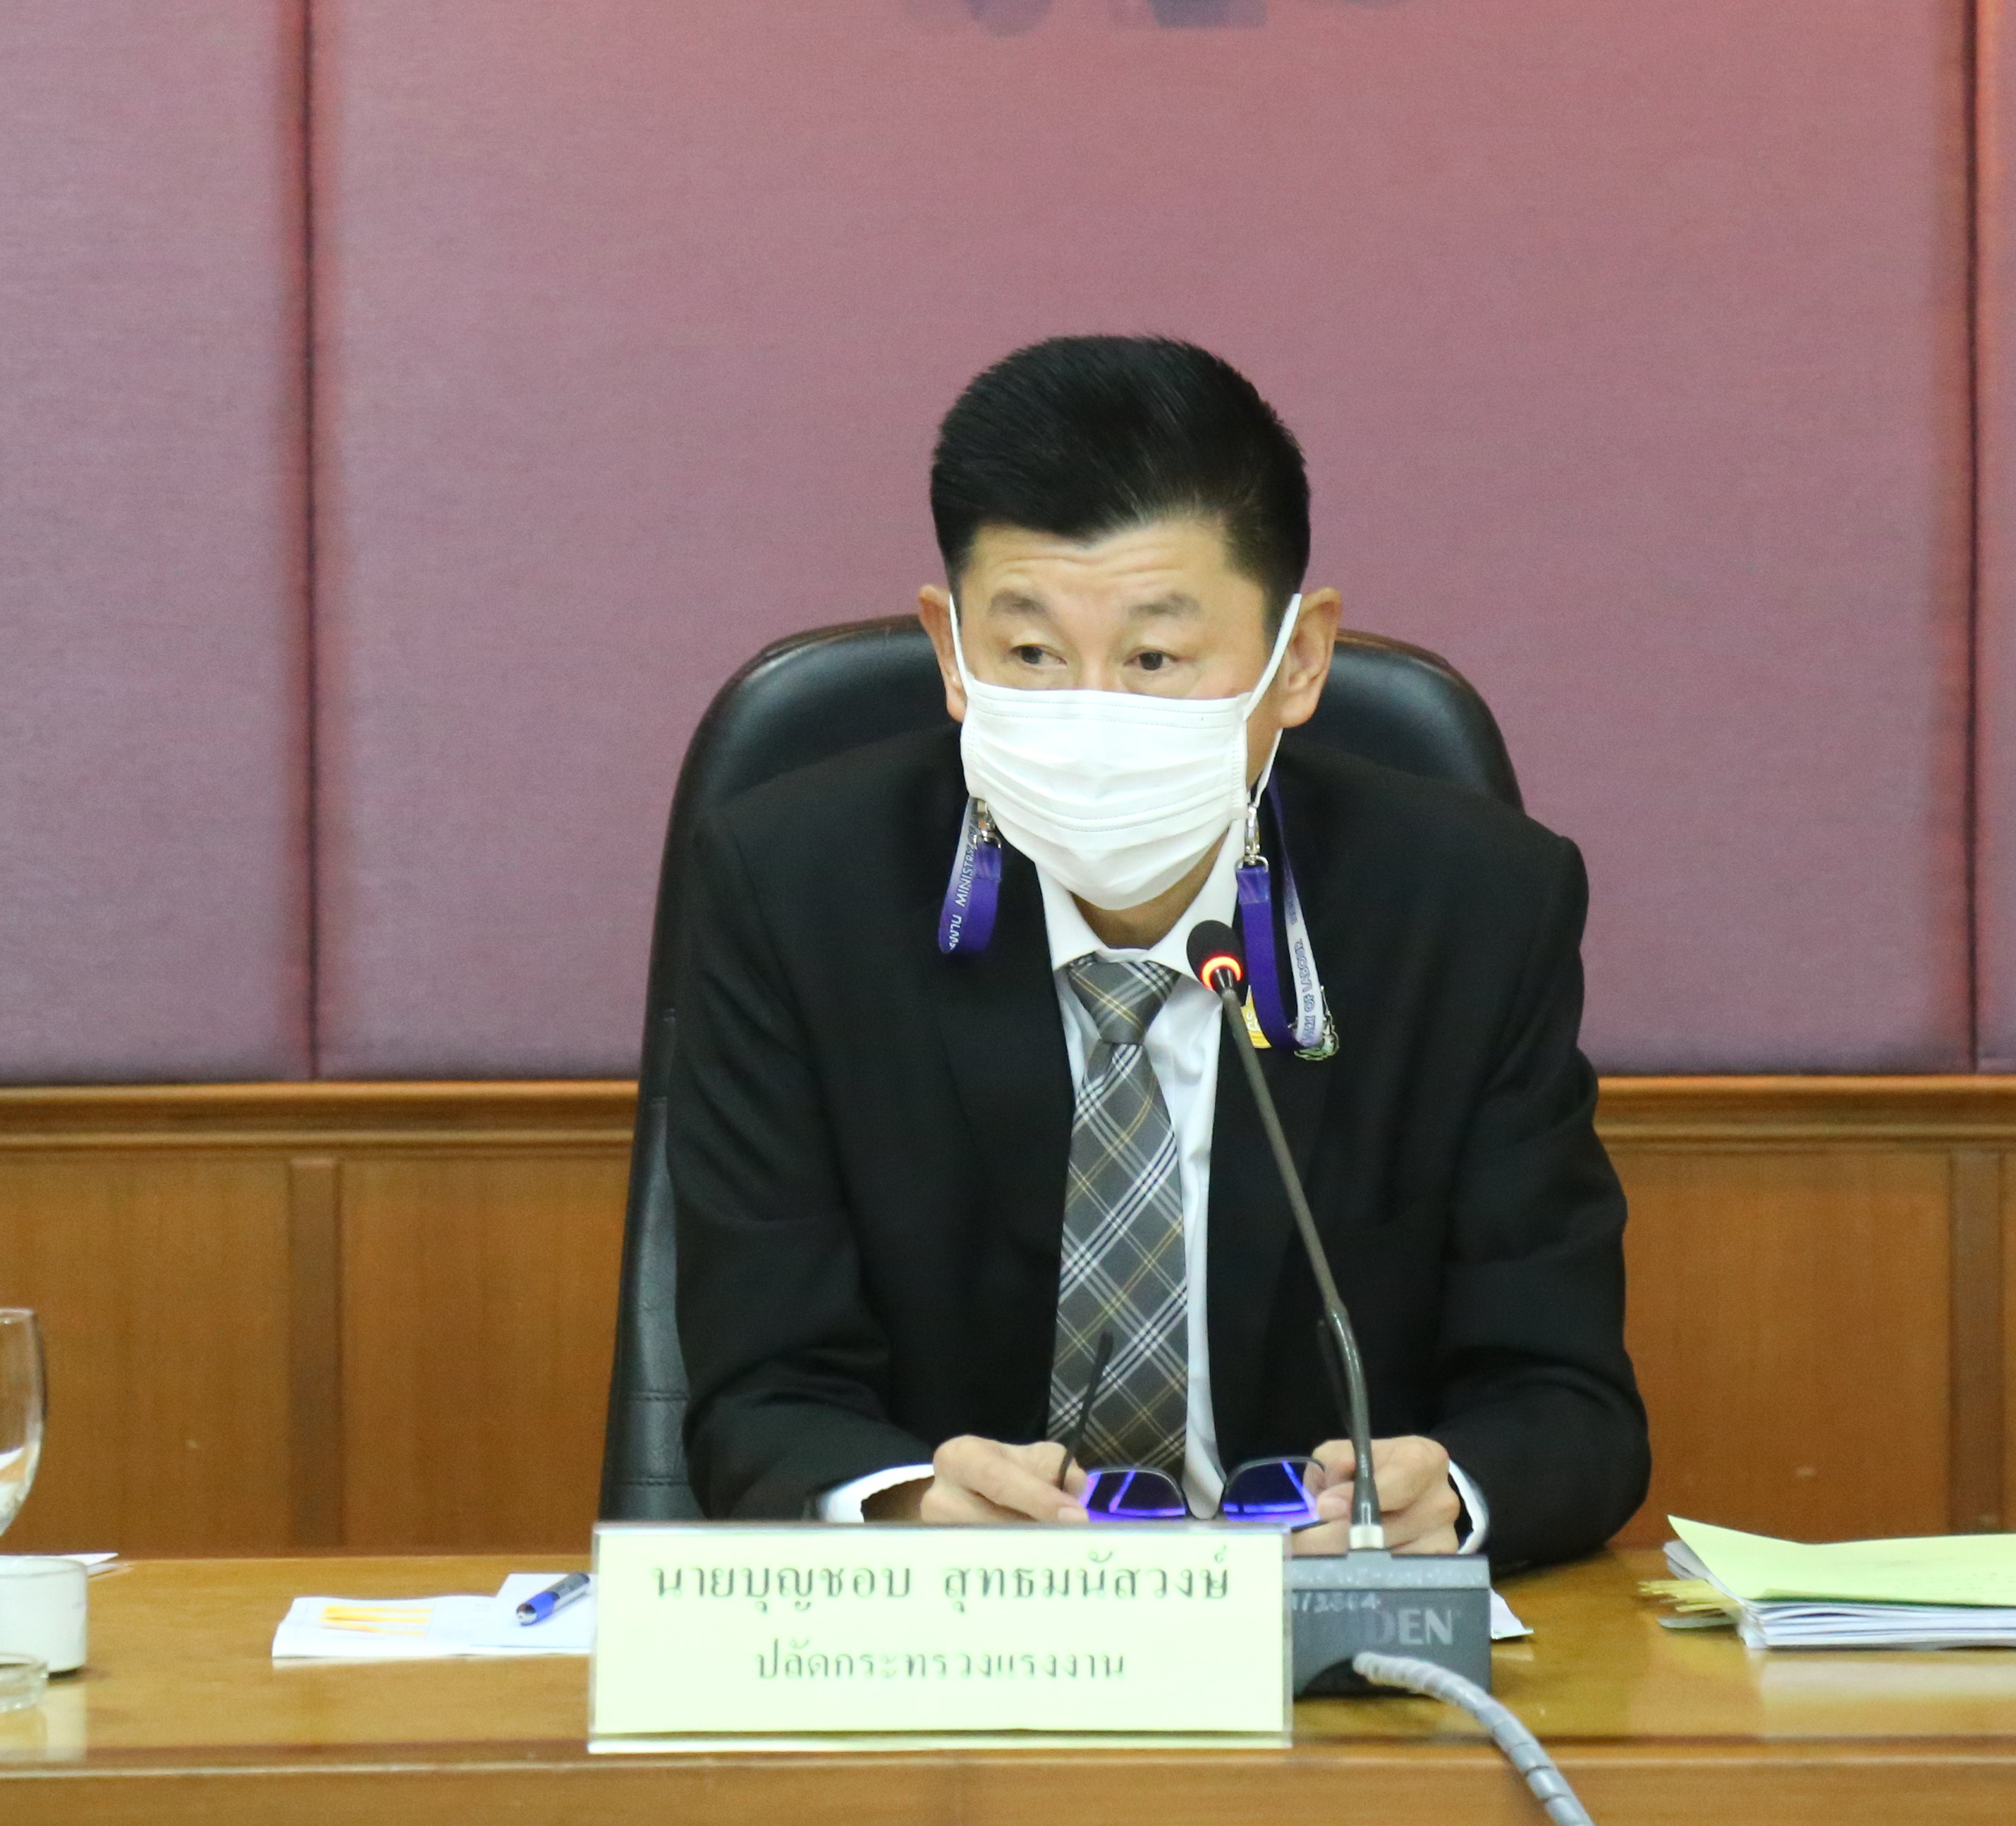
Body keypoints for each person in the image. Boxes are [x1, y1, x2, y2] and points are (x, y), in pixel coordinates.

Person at [671, 335, 1646, 1568]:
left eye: (1153, 659)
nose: (1091, 716)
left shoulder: (1468, 908)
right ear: (951, 652)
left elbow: (1565, 1402)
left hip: (1321, 1629)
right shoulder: (798, 891)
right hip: (960, 1633)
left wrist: (1444, 1494)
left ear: (1298, 660)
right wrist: (910, 1504)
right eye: (1030, 655)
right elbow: (761, 1395)